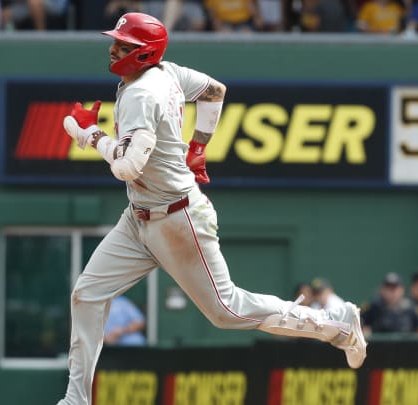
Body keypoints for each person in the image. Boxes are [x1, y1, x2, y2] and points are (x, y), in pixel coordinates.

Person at [57, 12, 367, 405]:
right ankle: (76, 399)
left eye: (124, 44)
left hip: (176, 217)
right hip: (139, 218)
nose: (113, 48)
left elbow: (125, 166)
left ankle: (335, 324)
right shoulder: (166, 73)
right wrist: (199, 145)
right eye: (116, 40)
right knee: (87, 294)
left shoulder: (141, 93)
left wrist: (91, 134)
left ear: (144, 54)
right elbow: (215, 91)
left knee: (227, 311)